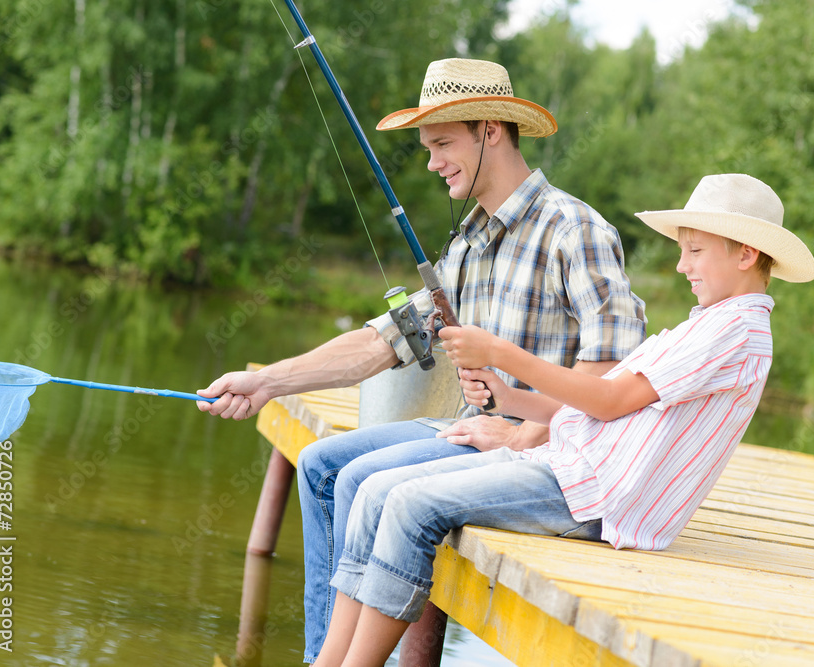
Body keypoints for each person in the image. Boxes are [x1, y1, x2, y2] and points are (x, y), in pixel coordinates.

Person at [197, 58, 647, 661]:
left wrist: (528, 435)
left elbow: (616, 364)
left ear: (490, 130)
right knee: (320, 463)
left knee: (356, 478)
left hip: (541, 453)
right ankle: (321, 655)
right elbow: (384, 341)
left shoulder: (573, 229)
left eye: (441, 143)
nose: (432, 162)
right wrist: (266, 382)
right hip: (469, 431)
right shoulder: (468, 243)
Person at [311, 173, 814, 665]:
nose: (682, 265)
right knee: (377, 491)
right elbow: (601, 407)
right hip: (573, 469)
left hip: (597, 495)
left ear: (747, 254)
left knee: (406, 504)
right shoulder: (709, 323)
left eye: (696, 250)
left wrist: (501, 352)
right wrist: (509, 398)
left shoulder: (737, 331)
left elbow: (609, 400)